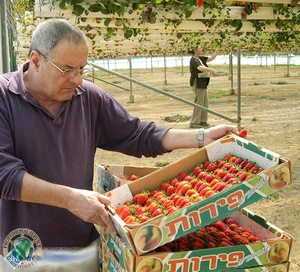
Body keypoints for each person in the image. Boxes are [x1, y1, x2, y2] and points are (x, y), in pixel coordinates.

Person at [0, 19, 235, 271]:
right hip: (20, 251)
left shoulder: (88, 98)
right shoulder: (4, 97)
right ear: (35, 60)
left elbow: (136, 134)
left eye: (82, 69)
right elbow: (5, 175)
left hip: (80, 248)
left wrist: (200, 137)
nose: (77, 79)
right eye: (67, 69)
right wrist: (70, 199)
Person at [189, 47, 217, 128]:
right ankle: (194, 122)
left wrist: (217, 51)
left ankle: (203, 121)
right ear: (195, 50)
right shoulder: (194, 59)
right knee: (199, 103)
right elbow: (200, 68)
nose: (202, 49)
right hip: (198, 83)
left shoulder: (200, 58)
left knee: (204, 103)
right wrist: (210, 69)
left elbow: (211, 58)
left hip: (203, 83)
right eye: (200, 48)